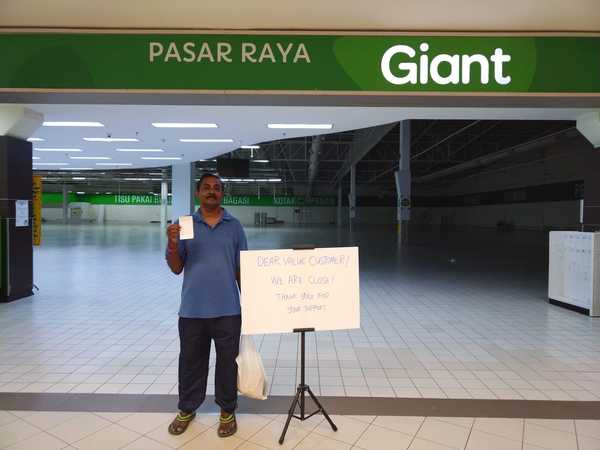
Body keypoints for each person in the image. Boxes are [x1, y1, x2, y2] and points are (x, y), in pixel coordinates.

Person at [165, 172, 247, 438]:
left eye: (217, 188)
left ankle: (227, 410)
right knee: (190, 362)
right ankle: (187, 408)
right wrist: (173, 242)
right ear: (198, 193)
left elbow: (241, 268)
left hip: (228, 310)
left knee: (227, 363)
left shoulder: (234, 226)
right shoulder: (185, 224)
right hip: (193, 310)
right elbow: (176, 268)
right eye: (207, 188)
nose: (212, 191)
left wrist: (254, 303)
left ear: (222, 193)